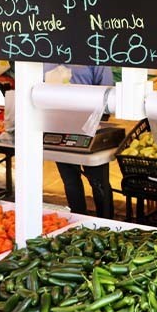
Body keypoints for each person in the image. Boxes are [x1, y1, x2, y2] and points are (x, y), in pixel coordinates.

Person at [45, 64, 115, 218]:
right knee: (70, 182)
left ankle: (107, 222)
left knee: (99, 182)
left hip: (89, 127)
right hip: (58, 127)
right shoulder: (46, 57)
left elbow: (108, 92)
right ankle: (78, 220)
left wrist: (97, 122)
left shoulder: (95, 55)